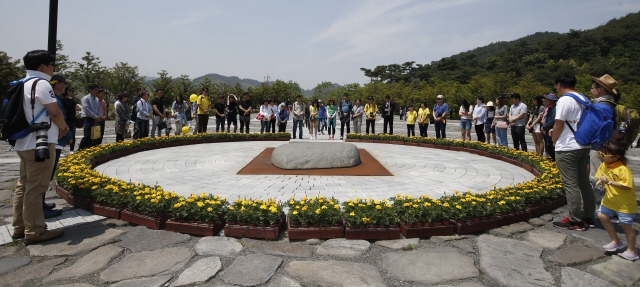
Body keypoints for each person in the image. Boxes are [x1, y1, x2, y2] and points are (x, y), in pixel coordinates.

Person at [12, 50, 68, 243]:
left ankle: (20, 226)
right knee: (36, 188)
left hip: (24, 142)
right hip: (41, 143)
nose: (53, 69)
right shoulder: (42, 84)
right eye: (52, 65)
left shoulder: (22, 83)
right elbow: (54, 112)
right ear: (42, 67)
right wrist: (63, 127)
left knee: (24, 185)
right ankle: (35, 230)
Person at [552, 72, 595, 231]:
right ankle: (589, 216)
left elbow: (559, 124)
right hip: (583, 144)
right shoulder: (583, 98)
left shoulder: (565, 100)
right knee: (584, 182)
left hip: (568, 146)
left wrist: (554, 140)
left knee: (570, 184)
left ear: (559, 85)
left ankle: (575, 220)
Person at [595, 141, 638, 261]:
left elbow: (627, 186)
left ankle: (632, 250)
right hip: (609, 200)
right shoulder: (604, 165)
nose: (601, 155)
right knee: (602, 216)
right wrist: (601, 183)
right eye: (601, 153)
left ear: (616, 157)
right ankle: (615, 241)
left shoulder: (623, 170)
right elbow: (600, 178)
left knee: (626, 226)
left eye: (604, 154)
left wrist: (609, 182)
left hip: (624, 204)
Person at [540, 93, 558, 160]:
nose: (544, 100)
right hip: (546, 131)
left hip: (552, 131)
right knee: (548, 147)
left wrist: (545, 127)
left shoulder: (555, 109)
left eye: (546, 99)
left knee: (552, 148)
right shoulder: (549, 109)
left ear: (551, 101)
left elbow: (554, 120)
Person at [60, 86, 78, 153]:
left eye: (71, 91)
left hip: (72, 119)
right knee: (63, 134)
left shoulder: (72, 99)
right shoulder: (62, 99)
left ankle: (72, 149)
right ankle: (61, 148)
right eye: (69, 90)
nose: (71, 92)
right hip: (65, 119)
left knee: (72, 134)